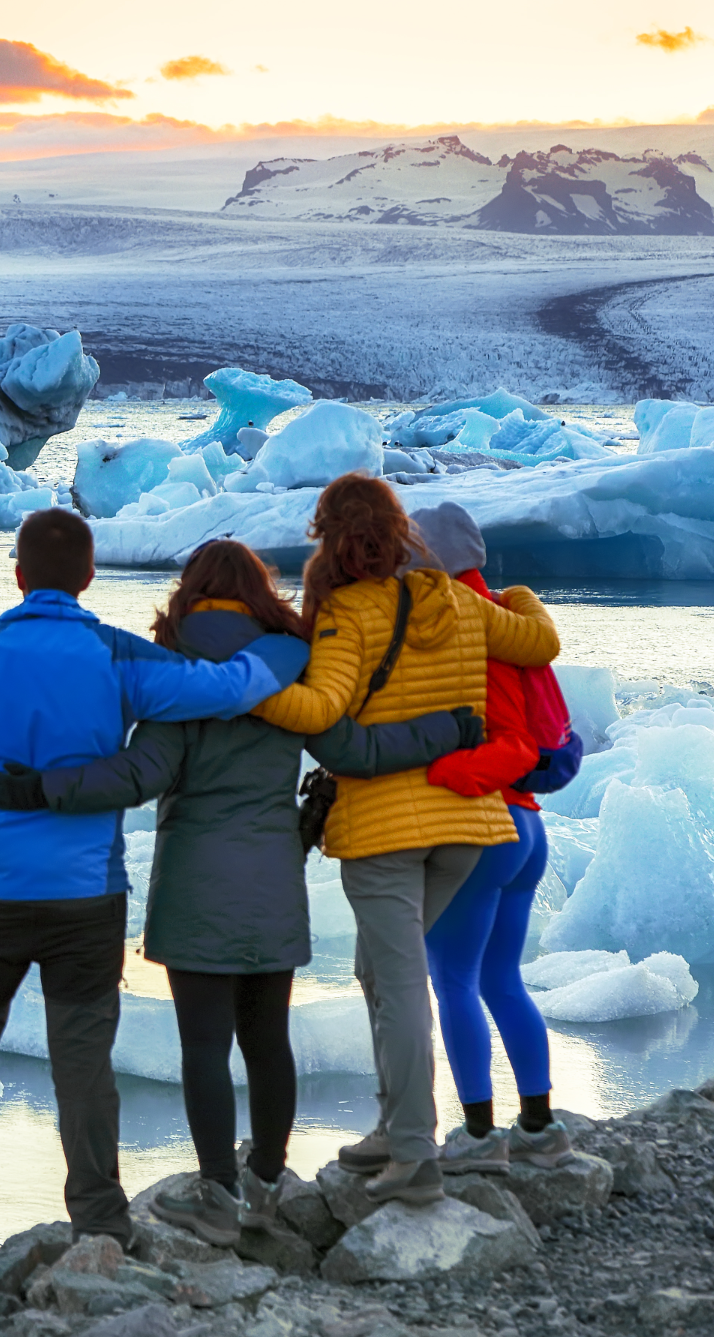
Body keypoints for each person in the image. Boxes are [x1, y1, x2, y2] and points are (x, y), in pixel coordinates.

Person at [22, 538, 482, 1245]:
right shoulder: (289, 674)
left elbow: (140, 775)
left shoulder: (178, 675)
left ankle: (216, 1192)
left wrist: (48, 783)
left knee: (204, 1046)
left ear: (190, 593)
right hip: (273, 876)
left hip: (194, 887)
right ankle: (265, 1183)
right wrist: (447, 727)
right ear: (260, 593)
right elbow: (359, 749)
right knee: (268, 1042)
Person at [0, 508, 310, 1277]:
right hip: (86, 899)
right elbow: (222, 689)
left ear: (18, 575)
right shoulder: (115, 654)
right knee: (83, 1067)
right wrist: (290, 646)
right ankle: (102, 1224)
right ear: (89, 577)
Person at [249, 475, 559, 1207]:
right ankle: (394, 1125)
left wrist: (245, 687)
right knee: (374, 969)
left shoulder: (345, 612)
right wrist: (513, 593)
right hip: (468, 826)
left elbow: (321, 707)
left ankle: (416, 1153)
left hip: (386, 830)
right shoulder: (457, 599)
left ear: (331, 536)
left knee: (398, 984)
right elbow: (540, 640)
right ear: (398, 532)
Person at [409, 503, 573, 1172]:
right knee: (503, 978)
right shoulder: (513, 618)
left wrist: (436, 769)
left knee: (453, 980)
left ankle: (478, 1138)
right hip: (529, 826)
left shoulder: (460, 629)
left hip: (485, 825)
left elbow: (505, 742)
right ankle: (539, 1123)